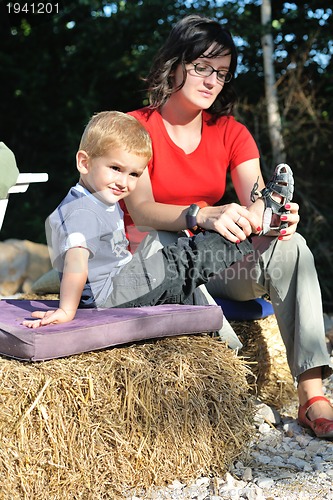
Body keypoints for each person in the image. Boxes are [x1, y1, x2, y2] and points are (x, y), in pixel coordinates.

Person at [122, 15, 333, 439]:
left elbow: (257, 199)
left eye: (221, 72)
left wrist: (274, 217)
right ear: (176, 64)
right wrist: (201, 214)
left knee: (294, 248)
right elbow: (141, 208)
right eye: (202, 67)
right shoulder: (135, 127)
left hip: (215, 267)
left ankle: (312, 395)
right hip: (155, 265)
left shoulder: (231, 133)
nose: (211, 80)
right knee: (173, 236)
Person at [23, 110, 260, 327]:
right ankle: (245, 228)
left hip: (117, 281)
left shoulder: (98, 198)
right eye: (115, 168)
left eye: (134, 174)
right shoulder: (81, 212)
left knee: (169, 254)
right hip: (109, 294)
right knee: (180, 263)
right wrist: (66, 310)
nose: (124, 182)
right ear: (84, 162)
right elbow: (76, 262)